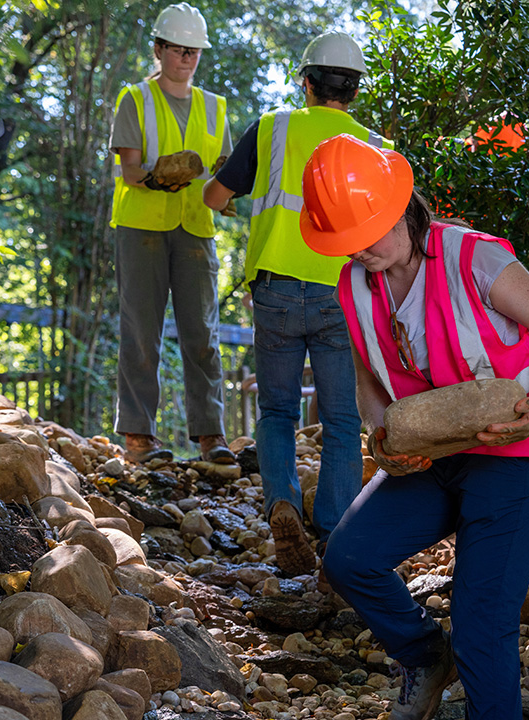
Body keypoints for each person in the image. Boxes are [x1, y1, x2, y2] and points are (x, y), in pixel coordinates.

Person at [299, 134, 529, 720]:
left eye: (363, 236)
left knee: (481, 627)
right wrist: (383, 439)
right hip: (433, 459)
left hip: (515, 456)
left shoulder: (472, 257)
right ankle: (424, 654)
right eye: (343, 243)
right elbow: (368, 378)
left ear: (398, 210)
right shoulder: (353, 283)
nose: (356, 253)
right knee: (349, 559)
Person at [202, 32, 389, 577]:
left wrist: (239, 205)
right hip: (341, 293)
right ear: (353, 90)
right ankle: (334, 533)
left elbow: (215, 197)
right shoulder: (372, 145)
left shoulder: (272, 128)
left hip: (276, 288)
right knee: (340, 418)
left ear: (305, 83)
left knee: (277, 411)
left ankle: (281, 503)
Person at [110, 2, 234, 465]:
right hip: (141, 228)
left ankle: (211, 438)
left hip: (196, 228)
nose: (187, 57)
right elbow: (129, 170)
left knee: (202, 332)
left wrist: (235, 196)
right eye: (179, 49)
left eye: (194, 50)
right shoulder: (135, 99)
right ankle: (139, 438)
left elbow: (223, 173)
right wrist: (155, 177)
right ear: (159, 49)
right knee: (141, 331)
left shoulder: (216, 107)